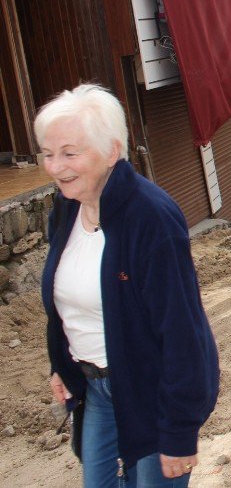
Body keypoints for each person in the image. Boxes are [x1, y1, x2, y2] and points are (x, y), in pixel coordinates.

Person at [38, 84, 219, 487]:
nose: (54, 166)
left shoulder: (150, 218)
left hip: (150, 392)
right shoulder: (67, 210)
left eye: (69, 153)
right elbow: (66, 305)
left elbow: (182, 332)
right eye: (48, 154)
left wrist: (178, 431)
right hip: (97, 389)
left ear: (111, 151)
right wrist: (62, 365)